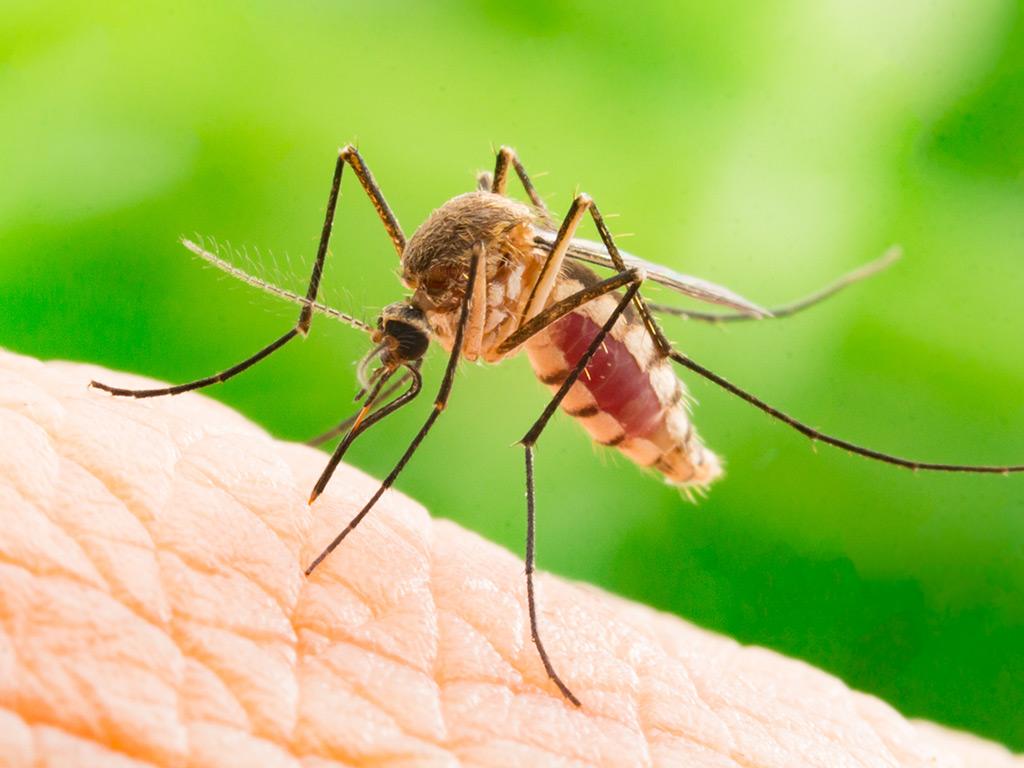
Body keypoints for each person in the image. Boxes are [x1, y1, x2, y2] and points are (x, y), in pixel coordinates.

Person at [1, 349, 1019, 767]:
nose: (395, 359)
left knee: (517, 370)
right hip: (535, 298)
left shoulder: (491, 295)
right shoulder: (435, 281)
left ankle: (826, 434)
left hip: (585, 324)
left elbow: (478, 345)